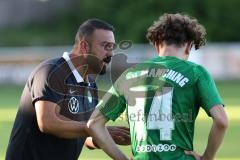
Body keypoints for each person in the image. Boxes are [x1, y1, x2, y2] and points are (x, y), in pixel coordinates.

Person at [87, 13, 228, 160]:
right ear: (189, 46)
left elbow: (94, 124)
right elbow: (221, 121)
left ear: (156, 44)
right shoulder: (196, 73)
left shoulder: (129, 75)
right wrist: (207, 158)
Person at [6, 19, 130, 160]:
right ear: (84, 46)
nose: (111, 54)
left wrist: (101, 137)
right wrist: (96, 129)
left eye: (112, 47)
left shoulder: (90, 84)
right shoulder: (52, 71)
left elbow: (83, 136)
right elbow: (47, 122)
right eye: (105, 46)